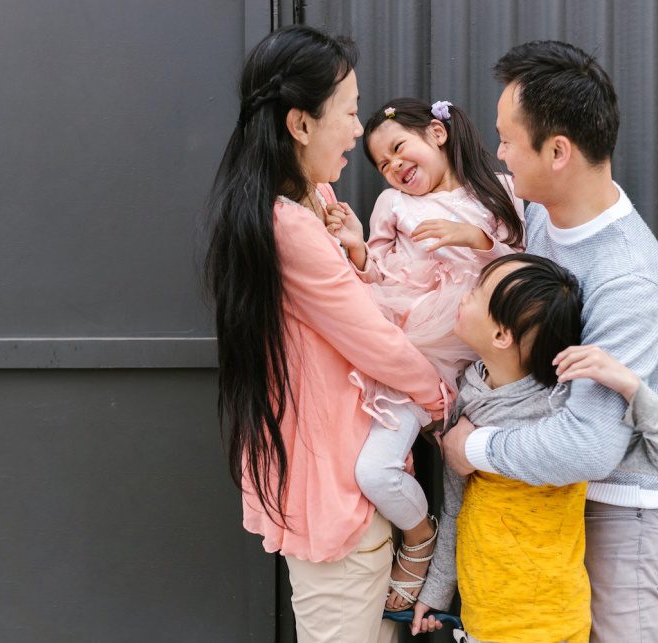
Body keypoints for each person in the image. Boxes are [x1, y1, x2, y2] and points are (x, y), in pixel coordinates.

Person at [203, 26, 446, 643]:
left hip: (350, 480)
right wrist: (446, 402)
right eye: (350, 110)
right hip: (337, 493)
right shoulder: (288, 226)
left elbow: (349, 312)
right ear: (300, 125)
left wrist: (360, 257)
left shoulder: (313, 198)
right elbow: (373, 340)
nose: (358, 131)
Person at [440, 41, 658, 642]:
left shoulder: (628, 279)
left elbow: (591, 446)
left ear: (557, 151)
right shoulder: (544, 212)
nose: (497, 155)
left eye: (506, 140)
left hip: (610, 506)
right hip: (537, 501)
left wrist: (474, 450)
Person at [409, 255, 658, 642]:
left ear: (501, 336)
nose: (465, 294)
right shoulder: (470, 391)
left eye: (477, 292)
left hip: (551, 623)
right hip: (483, 617)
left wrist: (629, 386)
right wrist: (438, 591)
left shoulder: (563, 413)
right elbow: (455, 502)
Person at [324, 97, 524, 611]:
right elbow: (378, 278)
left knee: (476, 488)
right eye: (383, 165)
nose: (394, 167)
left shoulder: (499, 192)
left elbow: (525, 273)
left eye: (398, 149)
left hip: (482, 378)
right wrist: (358, 249)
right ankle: (418, 535)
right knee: (374, 472)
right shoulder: (393, 207)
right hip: (410, 367)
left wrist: (472, 235)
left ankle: (454, 595)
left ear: (437, 133)